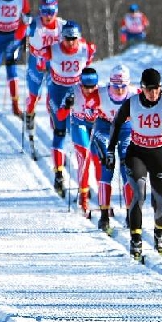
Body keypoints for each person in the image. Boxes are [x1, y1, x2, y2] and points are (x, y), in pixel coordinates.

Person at [106, 68, 162, 262]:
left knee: (159, 200)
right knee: (138, 194)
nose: (153, 94)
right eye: (149, 90)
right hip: (138, 154)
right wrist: (110, 149)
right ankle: (135, 239)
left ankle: (160, 236)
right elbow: (116, 124)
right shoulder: (132, 103)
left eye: (157, 89)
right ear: (142, 88)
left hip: (160, 155)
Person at [37, 20, 96, 197]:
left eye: (74, 39)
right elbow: (40, 65)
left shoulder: (86, 48)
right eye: (67, 38)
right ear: (62, 38)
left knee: (82, 130)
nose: (71, 42)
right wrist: (41, 58)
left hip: (77, 92)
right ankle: (58, 173)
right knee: (60, 132)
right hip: (57, 91)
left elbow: (88, 68)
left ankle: (85, 179)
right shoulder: (53, 49)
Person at [90, 64, 135, 235]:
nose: (119, 90)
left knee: (127, 166)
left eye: (123, 86)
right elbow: (84, 105)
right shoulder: (100, 93)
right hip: (105, 128)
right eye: (115, 86)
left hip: (125, 129)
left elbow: (155, 100)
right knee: (107, 164)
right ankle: (104, 215)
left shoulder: (134, 94)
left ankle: (131, 213)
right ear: (110, 84)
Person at [60, 66, 103, 216]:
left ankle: (103, 198)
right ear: (81, 84)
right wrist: (67, 105)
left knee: (100, 159)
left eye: (93, 87)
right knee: (84, 157)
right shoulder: (73, 91)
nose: (90, 91)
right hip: (79, 125)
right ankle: (83, 197)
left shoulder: (102, 92)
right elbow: (60, 116)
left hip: (96, 126)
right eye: (86, 87)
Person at [25, 0, 65, 143]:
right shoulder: (34, 24)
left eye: (51, 12)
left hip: (54, 64)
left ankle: (56, 128)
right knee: (35, 95)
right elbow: (20, 34)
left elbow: (74, 41)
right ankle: (29, 114)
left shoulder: (62, 26)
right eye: (44, 12)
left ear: (56, 11)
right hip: (36, 62)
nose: (48, 16)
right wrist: (24, 25)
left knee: (52, 98)